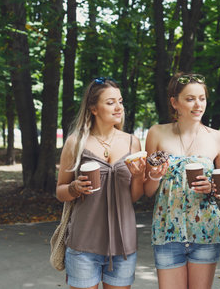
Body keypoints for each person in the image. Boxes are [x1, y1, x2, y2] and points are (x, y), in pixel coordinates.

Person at [144, 72, 220, 289]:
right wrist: (155, 176)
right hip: (166, 231)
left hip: (205, 230)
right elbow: (148, 191)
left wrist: (212, 188)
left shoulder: (218, 138)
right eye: (190, 99)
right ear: (175, 102)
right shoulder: (156, 133)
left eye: (202, 98)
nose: (198, 104)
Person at [56, 77, 146, 289]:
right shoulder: (75, 142)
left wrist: (139, 176)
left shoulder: (132, 142)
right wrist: (73, 188)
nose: (118, 107)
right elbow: (60, 191)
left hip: (123, 246)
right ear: (93, 108)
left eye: (121, 101)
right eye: (110, 102)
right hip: (83, 245)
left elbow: (133, 197)